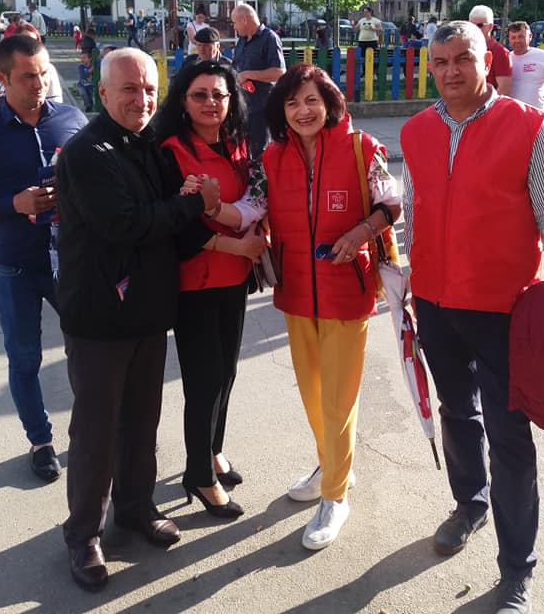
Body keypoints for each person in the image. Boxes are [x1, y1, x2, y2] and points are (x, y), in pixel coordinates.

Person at [401, 21, 544, 614]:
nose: (451, 70)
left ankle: (516, 570)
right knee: (457, 413)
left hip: (506, 309)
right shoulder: (416, 130)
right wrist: (409, 284)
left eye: (463, 58)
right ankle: (470, 504)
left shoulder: (527, 126)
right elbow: (413, 211)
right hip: (435, 303)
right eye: (440, 61)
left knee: (510, 439)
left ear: (488, 61)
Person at [216, 64, 401, 551]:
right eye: (292, 102)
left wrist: (360, 232)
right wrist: (214, 209)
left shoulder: (362, 149)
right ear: (281, 111)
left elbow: (391, 203)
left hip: (347, 291)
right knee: (315, 393)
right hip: (296, 292)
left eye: (312, 100)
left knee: (339, 397)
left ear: (329, 103)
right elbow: (253, 207)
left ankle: (335, 495)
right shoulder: (271, 158)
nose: (303, 111)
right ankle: (332, 463)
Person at [55, 49, 220, 592]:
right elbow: (125, 225)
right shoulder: (87, 152)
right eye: (129, 89)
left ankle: (134, 507)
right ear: (102, 93)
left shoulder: (151, 146)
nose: (142, 99)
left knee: (142, 422)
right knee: (96, 432)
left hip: (148, 312)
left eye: (149, 89)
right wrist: (194, 204)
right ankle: (83, 534)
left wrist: (210, 211)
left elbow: (173, 220)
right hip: (99, 318)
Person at [0, 34, 87, 483]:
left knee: (91, 348)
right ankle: (41, 441)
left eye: (43, 73)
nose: (39, 83)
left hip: (72, 261)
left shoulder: (72, 119)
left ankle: (95, 427)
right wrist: (14, 204)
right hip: (16, 266)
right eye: (28, 76)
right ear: (2, 78)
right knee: (25, 358)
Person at [153, 61, 265, 522]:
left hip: (234, 278)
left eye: (219, 95)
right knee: (204, 381)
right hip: (194, 283)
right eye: (200, 95)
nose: (210, 103)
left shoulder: (237, 144)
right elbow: (178, 227)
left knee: (227, 373)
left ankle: (213, 449)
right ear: (183, 101)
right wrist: (238, 244)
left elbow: (251, 202)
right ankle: (198, 474)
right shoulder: (171, 151)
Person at [231, 3, 286, 159]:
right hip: (243, 105)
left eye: (235, 22)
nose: (234, 27)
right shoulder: (242, 40)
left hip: (262, 106)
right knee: (242, 150)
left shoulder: (269, 38)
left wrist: (249, 74)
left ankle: (261, 174)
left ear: (245, 20)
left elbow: (279, 72)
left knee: (260, 153)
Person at [0, 22, 63, 111]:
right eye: (23, 42)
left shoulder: (49, 69)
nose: (28, 46)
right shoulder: (3, 67)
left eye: (33, 42)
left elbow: (56, 105)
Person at [508, 20, 544, 111]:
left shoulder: (543, 56)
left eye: (521, 37)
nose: (517, 40)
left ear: (530, 36)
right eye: (513, 37)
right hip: (511, 113)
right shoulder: (507, 58)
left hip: (537, 114)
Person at [468, 5, 512, 94]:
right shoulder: (466, 48)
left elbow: (504, 89)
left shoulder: (500, 52)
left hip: (488, 101)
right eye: (472, 25)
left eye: (480, 25)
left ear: (490, 27)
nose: (475, 29)